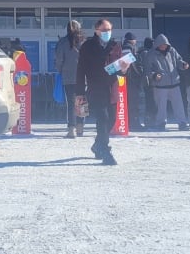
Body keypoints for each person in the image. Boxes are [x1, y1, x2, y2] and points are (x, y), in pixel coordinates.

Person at [76, 19, 124, 165]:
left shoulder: (116, 46)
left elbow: (122, 71)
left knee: (112, 120)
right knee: (102, 119)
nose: (107, 33)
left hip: (112, 88)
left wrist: (125, 69)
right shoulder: (87, 46)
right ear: (96, 31)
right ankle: (105, 150)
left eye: (109, 30)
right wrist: (79, 92)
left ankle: (98, 144)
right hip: (96, 88)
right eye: (104, 30)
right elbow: (80, 69)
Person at [145, 34, 189, 131]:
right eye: (162, 44)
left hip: (174, 83)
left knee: (179, 106)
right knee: (161, 107)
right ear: (157, 44)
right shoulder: (151, 54)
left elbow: (179, 61)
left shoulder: (172, 51)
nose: (164, 46)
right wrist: (154, 75)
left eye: (165, 44)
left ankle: (182, 123)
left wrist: (183, 64)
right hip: (160, 85)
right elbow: (148, 69)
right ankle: (160, 123)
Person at [54, 20, 85, 138]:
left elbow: (58, 60)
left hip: (68, 76)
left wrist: (60, 70)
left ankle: (71, 130)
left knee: (71, 103)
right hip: (83, 77)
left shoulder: (62, 42)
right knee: (81, 102)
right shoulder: (83, 42)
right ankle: (80, 128)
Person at [122, 32, 146, 131]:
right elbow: (130, 62)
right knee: (133, 102)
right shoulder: (128, 47)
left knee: (130, 102)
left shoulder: (125, 47)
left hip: (128, 79)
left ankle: (130, 122)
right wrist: (139, 73)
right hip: (131, 79)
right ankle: (134, 123)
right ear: (132, 39)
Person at [138, 37, 157, 127]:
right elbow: (147, 67)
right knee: (150, 101)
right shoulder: (146, 53)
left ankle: (149, 120)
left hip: (147, 80)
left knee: (150, 101)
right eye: (152, 43)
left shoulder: (143, 52)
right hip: (148, 81)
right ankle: (149, 121)